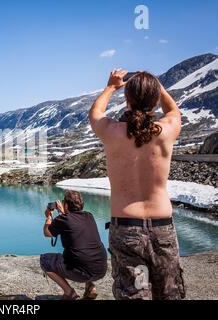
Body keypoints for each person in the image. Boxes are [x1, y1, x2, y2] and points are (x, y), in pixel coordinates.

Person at [88, 69, 186, 300]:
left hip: (126, 229)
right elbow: (173, 110)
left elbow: (95, 113)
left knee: (135, 292)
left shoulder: (112, 131)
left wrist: (111, 86)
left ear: (127, 99)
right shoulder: (166, 131)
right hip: (162, 228)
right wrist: (157, 86)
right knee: (169, 292)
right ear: (155, 98)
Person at [40, 190, 107, 300]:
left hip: (82, 272)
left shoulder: (63, 219)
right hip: (101, 269)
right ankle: (90, 287)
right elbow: (72, 222)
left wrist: (49, 217)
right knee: (85, 250)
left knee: (45, 260)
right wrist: (64, 212)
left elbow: (47, 233)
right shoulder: (89, 216)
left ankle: (69, 292)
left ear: (65, 205)